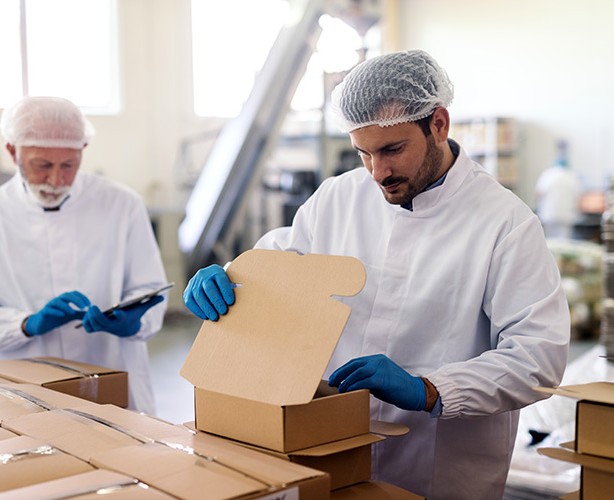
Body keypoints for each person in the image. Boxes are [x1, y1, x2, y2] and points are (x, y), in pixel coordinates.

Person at [183, 50, 570, 500]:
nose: (377, 172)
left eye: (392, 149)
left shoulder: (505, 223)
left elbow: (538, 358)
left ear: (439, 124)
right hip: (333, 449)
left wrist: (428, 389)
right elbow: (284, 263)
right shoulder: (338, 197)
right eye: (363, 152)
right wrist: (231, 276)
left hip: (440, 466)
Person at [0, 96, 168, 414]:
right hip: (25, 392)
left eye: (68, 165)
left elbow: (149, 287)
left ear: (82, 152)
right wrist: (26, 324)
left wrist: (134, 321)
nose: (56, 180)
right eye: (42, 165)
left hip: (113, 377)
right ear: (12, 151)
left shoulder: (121, 205)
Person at [535, 139, 581, 239]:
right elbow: (578, 197)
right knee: (564, 242)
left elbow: (539, 193)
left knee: (549, 243)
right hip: (566, 215)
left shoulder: (547, 174)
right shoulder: (572, 176)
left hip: (549, 214)